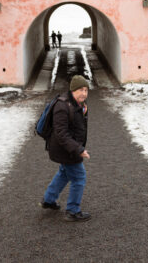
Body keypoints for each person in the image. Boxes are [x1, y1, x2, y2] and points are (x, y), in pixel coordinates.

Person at [40, 75, 91, 222]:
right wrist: (78, 149)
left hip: (69, 148)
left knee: (64, 173)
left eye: (86, 90)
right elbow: (61, 134)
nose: (84, 93)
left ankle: (49, 200)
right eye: (80, 90)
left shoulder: (79, 104)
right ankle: (73, 210)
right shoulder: (62, 106)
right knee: (79, 177)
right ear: (73, 90)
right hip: (65, 149)